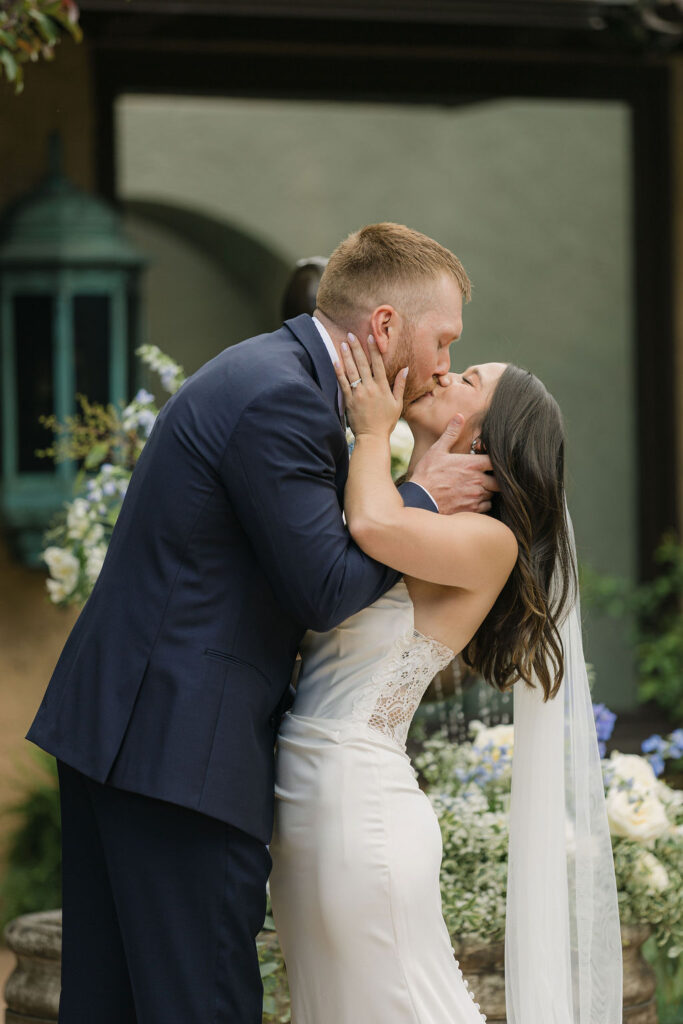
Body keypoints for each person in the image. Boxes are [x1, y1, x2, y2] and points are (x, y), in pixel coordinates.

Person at [26, 223, 499, 1023]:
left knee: (111, 1003)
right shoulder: (282, 396)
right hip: (177, 750)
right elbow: (322, 587)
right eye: (444, 340)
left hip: (131, 734)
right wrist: (417, 493)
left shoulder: (269, 371)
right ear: (384, 327)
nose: (446, 363)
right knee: (200, 1002)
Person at [269, 336, 623, 1022]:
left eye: (465, 377)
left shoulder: (490, 544)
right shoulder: (416, 499)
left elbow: (370, 525)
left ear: (488, 436)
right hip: (311, 797)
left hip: (356, 805)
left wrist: (372, 429)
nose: (442, 374)